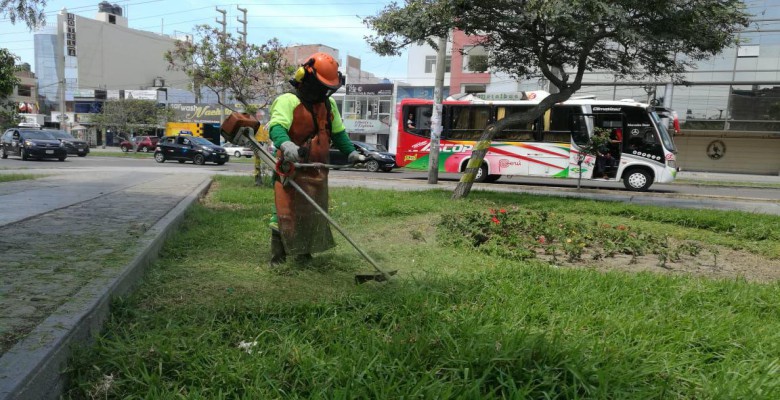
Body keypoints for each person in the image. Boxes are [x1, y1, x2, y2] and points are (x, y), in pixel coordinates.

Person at [267, 52, 365, 265]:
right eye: (322, 86)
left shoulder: (328, 106)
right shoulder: (287, 100)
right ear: (306, 77)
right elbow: (276, 127)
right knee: (284, 213)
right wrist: (287, 145)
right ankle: (278, 259)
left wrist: (351, 152)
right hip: (289, 168)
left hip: (316, 168)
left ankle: (303, 256)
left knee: (310, 214)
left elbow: (338, 133)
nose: (325, 92)